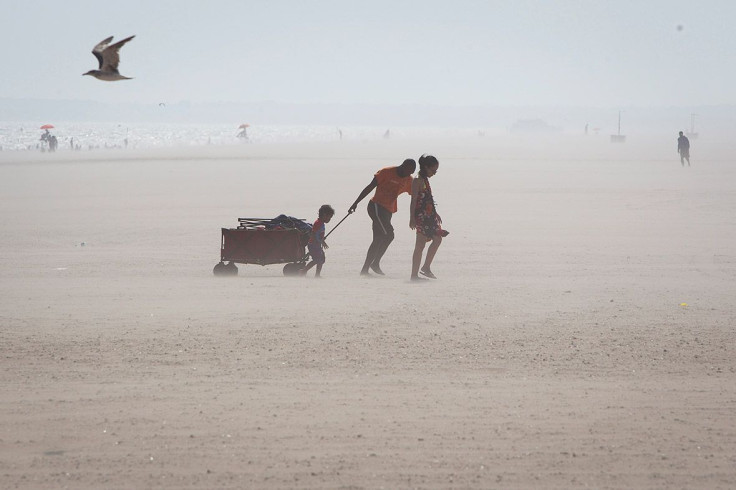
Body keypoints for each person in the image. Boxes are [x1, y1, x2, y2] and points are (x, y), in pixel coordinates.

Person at [349, 158, 416, 276]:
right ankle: (373, 264)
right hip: (376, 207)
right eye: (408, 171)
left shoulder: (408, 180)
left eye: (411, 173)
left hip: (388, 211)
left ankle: (366, 269)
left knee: (378, 238)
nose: (409, 174)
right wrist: (356, 203)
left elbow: (415, 196)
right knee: (389, 234)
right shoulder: (386, 172)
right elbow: (370, 187)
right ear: (403, 166)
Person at [409, 154, 448, 281]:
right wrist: (412, 218)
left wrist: (435, 213)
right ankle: (414, 275)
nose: (434, 173)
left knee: (437, 239)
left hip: (430, 216)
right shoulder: (417, 180)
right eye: (433, 170)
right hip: (421, 217)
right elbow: (414, 200)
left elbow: (428, 198)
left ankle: (426, 267)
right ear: (426, 167)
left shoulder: (425, 180)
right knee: (420, 245)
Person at [302, 205, 335, 278]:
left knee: (321, 259)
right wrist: (321, 241)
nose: (329, 219)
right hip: (313, 245)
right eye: (329, 217)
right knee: (316, 259)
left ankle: (317, 274)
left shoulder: (321, 223)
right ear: (324, 215)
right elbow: (313, 233)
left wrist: (322, 240)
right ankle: (303, 271)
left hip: (317, 245)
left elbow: (319, 235)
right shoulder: (318, 223)